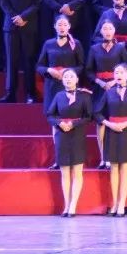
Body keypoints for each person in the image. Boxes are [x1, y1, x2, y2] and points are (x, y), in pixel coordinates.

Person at [94, 63, 127, 217]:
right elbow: (97, 113)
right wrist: (109, 124)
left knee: (125, 167)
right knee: (114, 168)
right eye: (116, 72)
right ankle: (115, 203)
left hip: (126, 131)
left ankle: (122, 203)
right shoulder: (109, 92)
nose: (118, 75)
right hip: (111, 131)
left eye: (122, 72)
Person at [36, 15, 85, 169]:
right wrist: (49, 70)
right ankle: (59, 159)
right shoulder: (48, 44)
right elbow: (39, 66)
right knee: (56, 123)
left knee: (71, 121)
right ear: (55, 26)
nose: (62, 27)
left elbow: (81, 66)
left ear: (69, 26)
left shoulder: (75, 44)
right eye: (59, 24)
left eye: (64, 24)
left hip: (69, 86)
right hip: (52, 87)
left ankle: (74, 159)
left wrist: (67, 72)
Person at [0, 0, 44, 103]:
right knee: (11, 60)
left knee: (29, 59)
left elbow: (38, 2)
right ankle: (10, 94)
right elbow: (3, 0)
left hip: (29, 24)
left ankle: (30, 93)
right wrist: (14, 17)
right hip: (10, 25)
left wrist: (24, 17)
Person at [45, 68, 91, 217]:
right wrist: (59, 123)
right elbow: (50, 115)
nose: (68, 79)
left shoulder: (84, 96)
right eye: (65, 77)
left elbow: (88, 116)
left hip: (77, 135)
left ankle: (73, 206)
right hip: (62, 135)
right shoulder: (58, 96)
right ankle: (66, 205)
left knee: (77, 172)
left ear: (77, 79)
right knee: (64, 172)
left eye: (71, 76)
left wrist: (73, 124)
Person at [85, 20, 127, 168]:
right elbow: (89, 70)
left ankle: (113, 156)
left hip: (116, 88)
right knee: (101, 122)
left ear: (114, 30)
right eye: (105, 29)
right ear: (101, 31)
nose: (108, 31)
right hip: (100, 89)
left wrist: (115, 81)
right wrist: (99, 82)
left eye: (110, 28)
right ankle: (103, 158)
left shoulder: (120, 48)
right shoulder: (94, 49)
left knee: (113, 120)